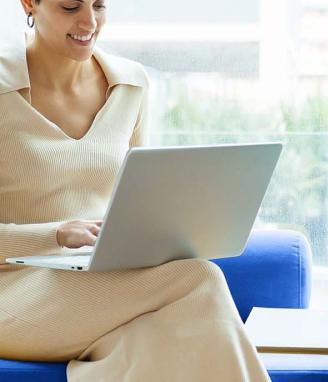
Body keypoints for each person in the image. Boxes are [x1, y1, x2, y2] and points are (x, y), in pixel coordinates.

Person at [0, 0, 270, 381]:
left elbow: (144, 196)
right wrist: (55, 233)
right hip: (11, 286)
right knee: (199, 279)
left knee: (160, 337)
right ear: (29, 3)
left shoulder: (130, 83)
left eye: (99, 5)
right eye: (70, 6)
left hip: (97, 276)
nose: (89, 22)